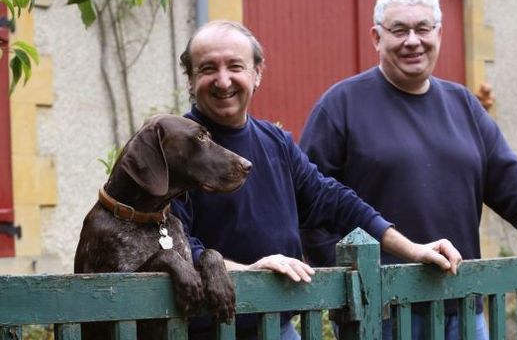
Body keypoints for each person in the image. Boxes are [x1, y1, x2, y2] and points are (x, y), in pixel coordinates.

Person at [299, 0, 517, 340]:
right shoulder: (340, 106)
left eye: (423, 28)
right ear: (377, 38)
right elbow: (309, 204)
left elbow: (508, 180)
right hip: (381, 311)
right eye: (399, 30)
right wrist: (346, 287)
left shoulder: (464, 105)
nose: (413, 40)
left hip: (461, 302)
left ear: (439, 34)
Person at [171, 20, 463, 340]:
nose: (223, 80)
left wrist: (413, 249)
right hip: (208, 331)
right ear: (191, 79)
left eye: (236, 66)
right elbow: (176, 246)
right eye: (208, 68)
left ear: (257, 73)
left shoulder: (276, 143)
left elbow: (335, 202)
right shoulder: (175, 151)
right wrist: (248, 274)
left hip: (277, 328)